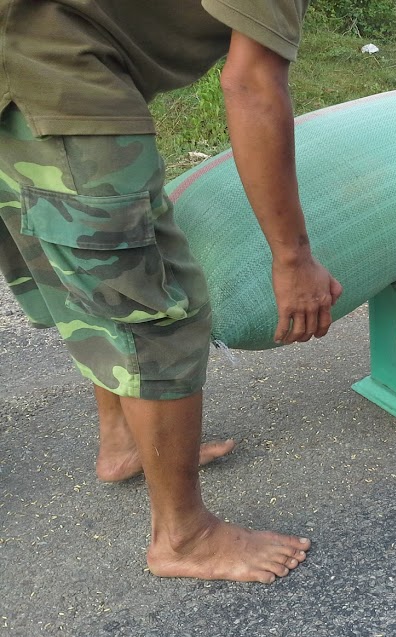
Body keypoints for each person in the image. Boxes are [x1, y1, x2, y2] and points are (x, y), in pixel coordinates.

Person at [0, 0, 343, 583]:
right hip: (54, 71)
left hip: (24, 65)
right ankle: (185, 537)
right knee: (157, 316)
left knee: (95, 290)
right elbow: (253, 85)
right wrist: (293, 259)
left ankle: (123, 442)